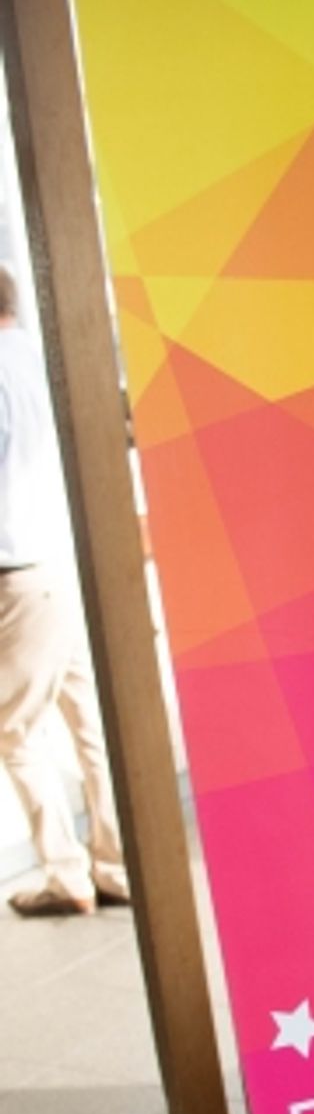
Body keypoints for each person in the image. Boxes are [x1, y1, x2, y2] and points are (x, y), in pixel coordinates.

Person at [0, 270, 129, 918]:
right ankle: (117, 862)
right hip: (68, 560)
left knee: (13, 728)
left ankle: (67, 873)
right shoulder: (38, 358)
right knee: (87, 717)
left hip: (18, 575)